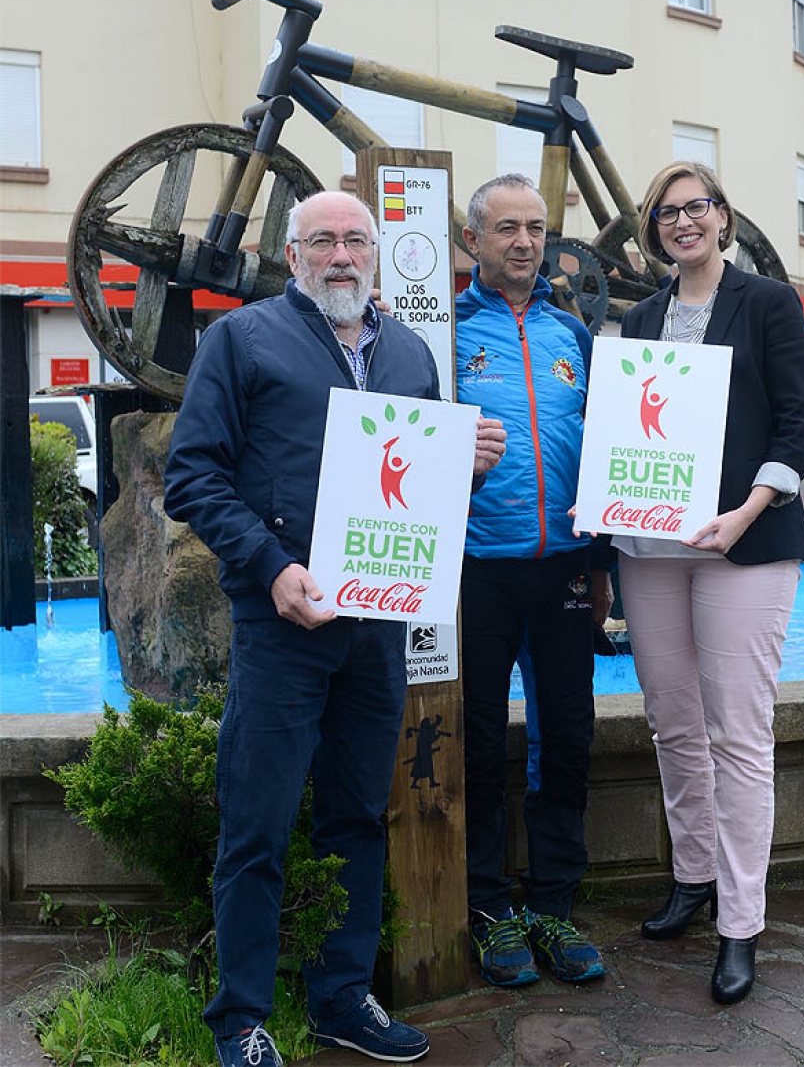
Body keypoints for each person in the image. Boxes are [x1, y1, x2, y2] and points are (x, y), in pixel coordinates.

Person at [163, 191, 506, 1067]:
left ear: (379, 254)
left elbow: (422, 492)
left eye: (358, 239)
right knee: (258, 827)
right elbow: (192, 478)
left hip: (375, 630)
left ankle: (341, 999)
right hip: (283, 623)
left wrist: (462, 461)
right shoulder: (241, 340)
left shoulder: (406, 353)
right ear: (293, 254)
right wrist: (271, 570)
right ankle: (239, 1019)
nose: (343, 254)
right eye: (325, 241)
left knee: (357, 815)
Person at [614, 162, 804, 1006]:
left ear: (724, 217)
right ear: (654, 227)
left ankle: (741, 921)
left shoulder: (768, 303)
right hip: (650, 549)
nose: (682, 222)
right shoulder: (637, 318)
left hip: (745, 542)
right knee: (672, 725)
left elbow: (798, 425)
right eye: (667, 212)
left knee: (739, 734)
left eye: (697, 208)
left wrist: (745, 510)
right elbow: (626, 431)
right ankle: (693, 880)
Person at [455, 173, 612, 988]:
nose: (524, 242)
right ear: (473, 240)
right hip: (476, 574)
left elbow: (610, 456)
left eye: (536, 228)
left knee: (569, 739)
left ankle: (554, 904)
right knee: (479, 743)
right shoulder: (439, 335)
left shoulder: (573, 335)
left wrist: (603, 563)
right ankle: (489, 907)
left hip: (564, 572)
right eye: (507, 228)